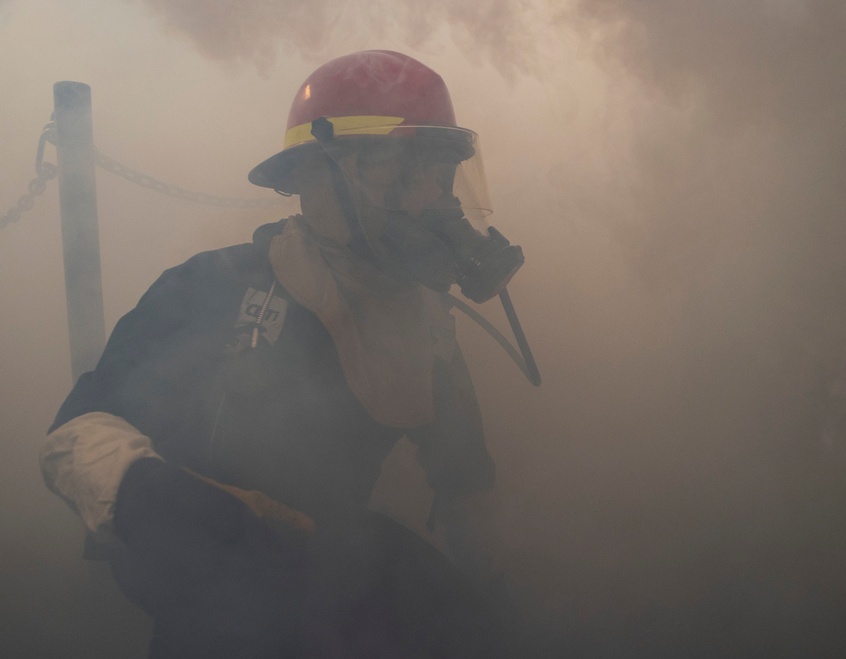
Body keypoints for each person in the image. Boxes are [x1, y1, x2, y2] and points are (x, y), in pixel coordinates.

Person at [39, 50, 524, 658]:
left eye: (438, 173)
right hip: (215, 604)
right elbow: (74, 435)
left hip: (329, 580)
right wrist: (156, 497)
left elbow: (465, 484)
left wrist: (492, 602)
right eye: (398, 172)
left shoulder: (427, 327)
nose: (429, 199)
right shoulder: (213, 287)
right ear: (314, 178)